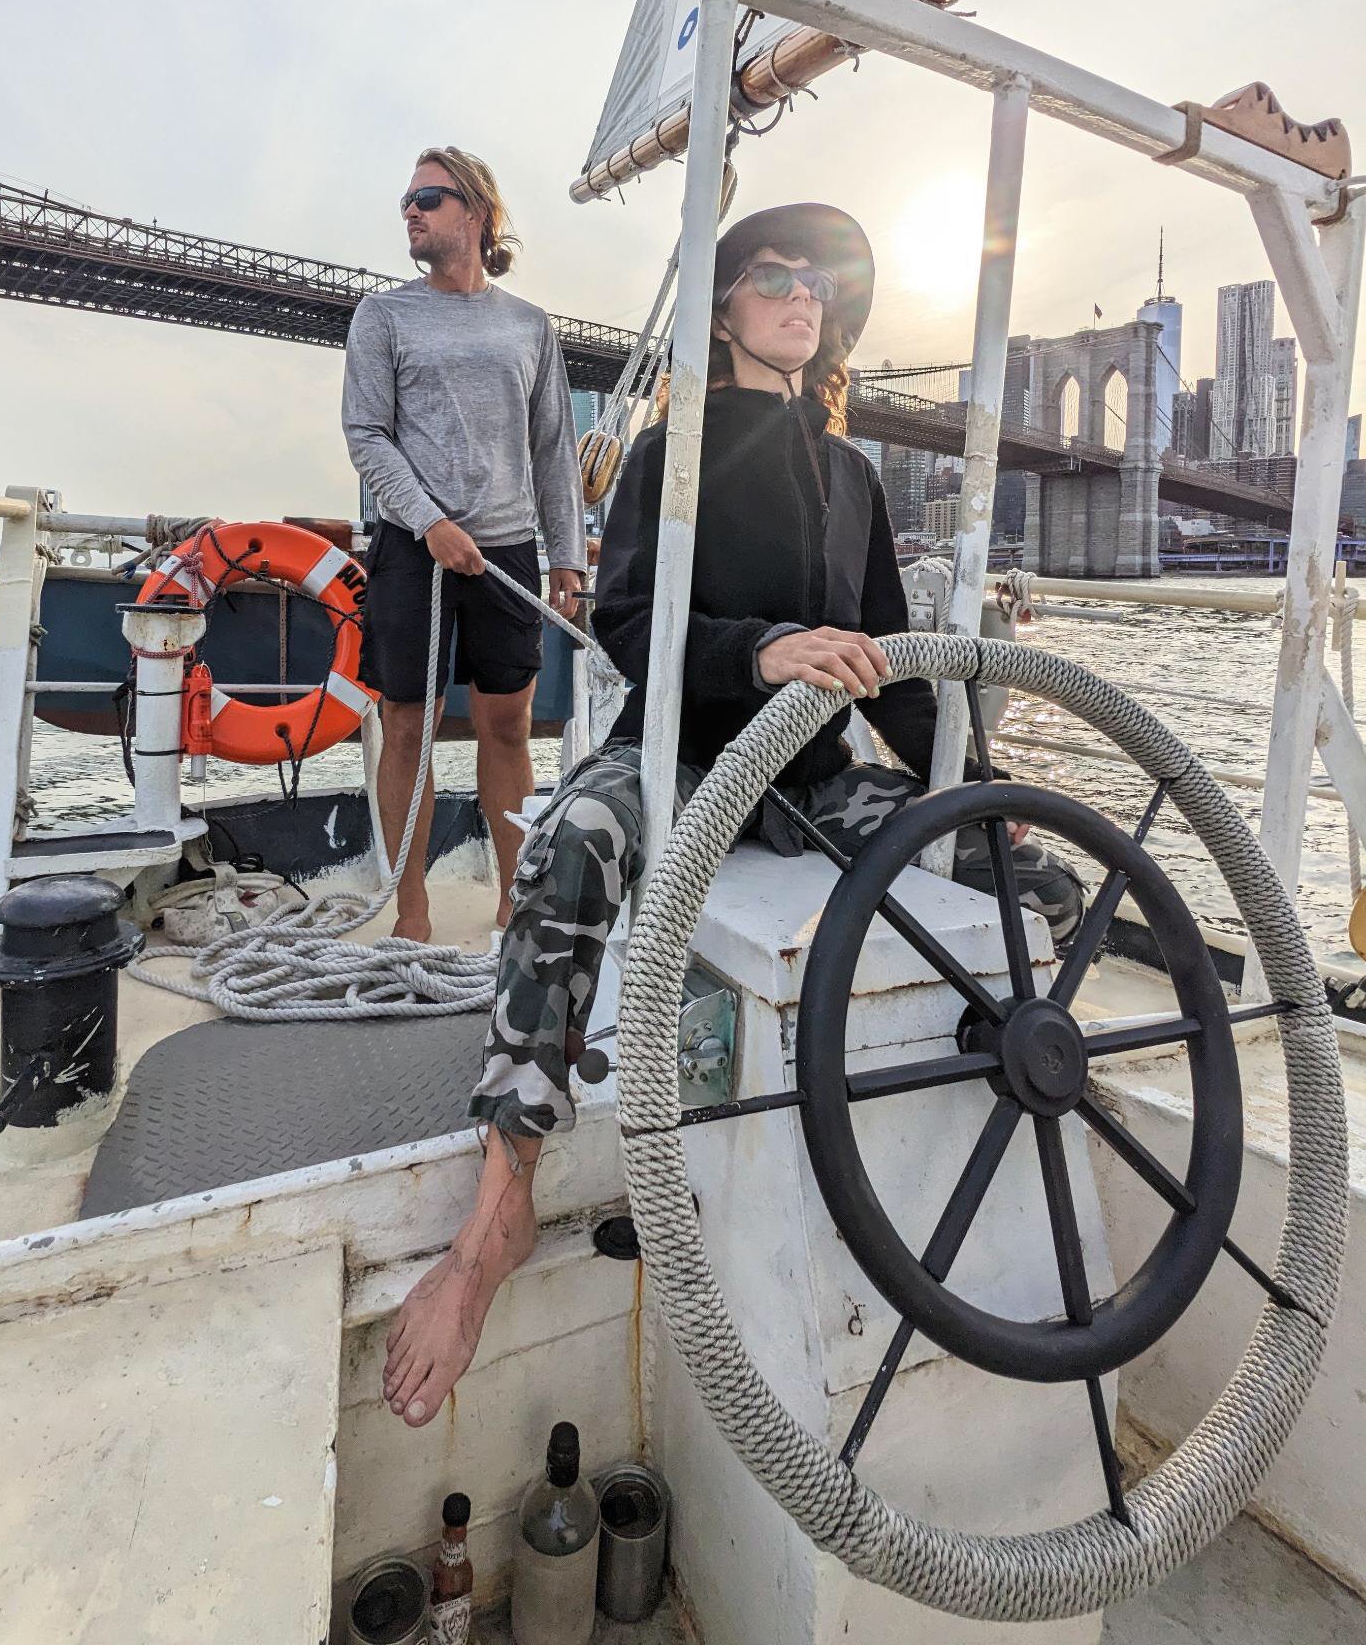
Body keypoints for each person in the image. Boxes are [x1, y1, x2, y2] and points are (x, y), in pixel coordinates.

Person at [381, 202, 1085, 1428]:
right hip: (683, 756)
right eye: (773, 276)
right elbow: (627, 623)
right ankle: (496, 1211)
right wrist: (762, 652)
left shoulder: (857, 479)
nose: (801, 296)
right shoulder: (674, 451)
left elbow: (898, 676)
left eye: (819, 283)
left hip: (808, 780)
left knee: (1025, 881)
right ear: (725, 309)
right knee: (570, 846)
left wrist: (969, 796)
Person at [342, 147, 587, 941]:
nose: (410, 211)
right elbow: (366, 435)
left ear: (477, 212)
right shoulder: (381, 316)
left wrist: (569, 558)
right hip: (417, 550)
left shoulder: (529, 326)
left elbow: (553, 449)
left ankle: (515, 903)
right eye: (407, 201)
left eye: (429, 198)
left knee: (508, 727)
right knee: (407, 725)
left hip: (508, 549)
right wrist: (429, 522)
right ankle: (411, 912)